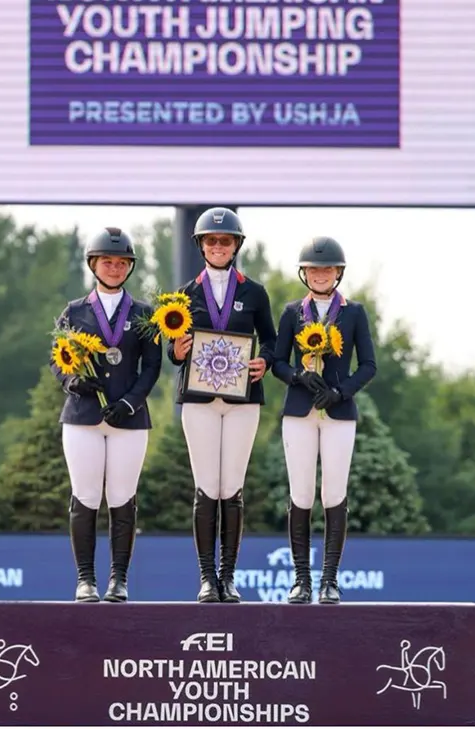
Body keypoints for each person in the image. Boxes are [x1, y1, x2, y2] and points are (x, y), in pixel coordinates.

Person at [168, 207, 279, 603]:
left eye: (225, 240)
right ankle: (205, 577)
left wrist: (264, 361)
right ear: (201, 245)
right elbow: (171, 349)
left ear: (236, 246)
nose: (218, 246)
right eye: (211, 240)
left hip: (241, 400)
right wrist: (177, 351)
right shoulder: (184, 294)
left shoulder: (254, 292)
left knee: (231, 487)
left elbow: (271, 340)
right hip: (199, 401)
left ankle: (228, 577)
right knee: (206, 487)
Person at [50, 227, 162, 603]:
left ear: (129, 267)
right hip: (83, 416)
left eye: (121, 263)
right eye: (107, 262)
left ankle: (119, 580)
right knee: (85, 496)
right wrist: (73, 382)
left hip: (129, 419)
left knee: (122, 497)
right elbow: (57, 359)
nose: (114, 268)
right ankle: (85, 579)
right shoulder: (74, 311)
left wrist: (131, 402)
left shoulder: (144, 314)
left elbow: (151, 366)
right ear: (93, 265)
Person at [269, 236, 376, 604]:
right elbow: (277, 362)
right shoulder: (292, 313)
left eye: (327, 269)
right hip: (299, 412)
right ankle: (301, 580)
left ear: (337, 273)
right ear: (305, 273)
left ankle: (329, 579)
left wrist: (340, 392)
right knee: (301, 493)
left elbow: (368, 365)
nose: (320, 275)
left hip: (338, 414)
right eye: (314, 269)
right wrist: (298, 376)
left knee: (334, 493)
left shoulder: (354, 313)